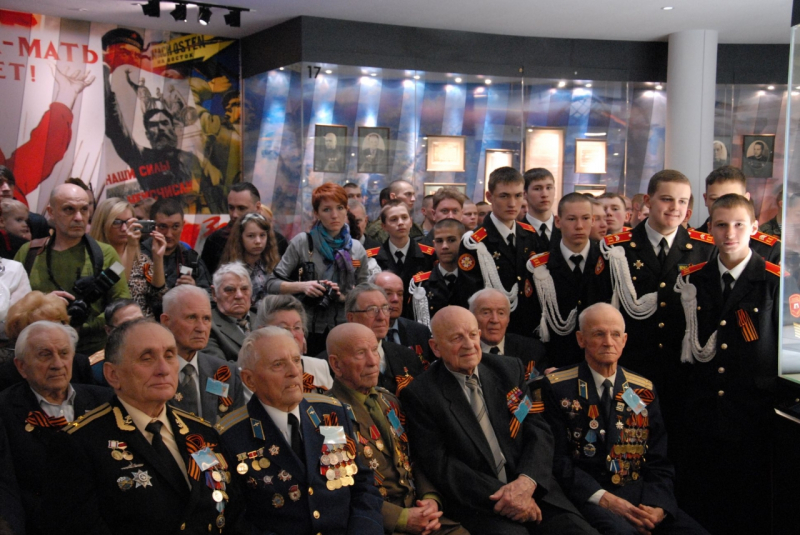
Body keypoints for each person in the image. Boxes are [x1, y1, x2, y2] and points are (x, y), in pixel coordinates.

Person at [400, 306, 597, 534]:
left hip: (533, 487)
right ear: (435, 347)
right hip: (481, 502)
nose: (469, 345)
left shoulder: (508, 369)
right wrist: (510, 497)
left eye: (473, 334)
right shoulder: (421, 394)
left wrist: (526, 483)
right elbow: (441, 465)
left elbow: (537, 429)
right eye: (457, 338)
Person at [44, 318, 239, 534]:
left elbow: (231, 510)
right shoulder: (80, 443)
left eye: (169, 356)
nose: (163, 369)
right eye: (147, 359)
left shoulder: (201, 432)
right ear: (113, 375)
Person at [542, 304, 707, 535]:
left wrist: (658, 506)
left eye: (615, 334)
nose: (608, 342)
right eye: (599, 334)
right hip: (590, 497)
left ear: (625, 340)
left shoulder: (642, 389)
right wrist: (604, 499)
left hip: (639, 496)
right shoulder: (558, 387)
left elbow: (658, 460)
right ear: (581, 339)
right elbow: (558, 460)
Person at [672, 194, 779, 534]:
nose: (729, 233)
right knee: (700, 506)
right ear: (710, 229)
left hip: (752, 413)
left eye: (738, 225)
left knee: (748, 507)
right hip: (701, 411)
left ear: (755, 228)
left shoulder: (775, 281)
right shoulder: (692, 280)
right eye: (721, 225)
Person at [217, 326, 383, 534]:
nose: (294, 372)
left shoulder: (330, 414)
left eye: (296, 360)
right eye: (278, 365)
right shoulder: (231, 436)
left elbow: (362, 486)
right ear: (249, 380)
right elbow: (236, 519)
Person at [326, 323, 468, 534]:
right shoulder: (329, 417)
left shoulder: (389, 401)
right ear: (336, 365)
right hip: (380, 523)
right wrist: (400, 519)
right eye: (360, 354)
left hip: (422, 514)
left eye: (375, 350)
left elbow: (417, 457)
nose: (373, 361)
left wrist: (430, 499)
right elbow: (341, 486)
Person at [600, 170, 714, 431]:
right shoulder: (616, 248)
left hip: (684, 370)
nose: (675, 208)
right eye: (667, 199)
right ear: (647, 202)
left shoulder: (705, 249)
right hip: (633, 366)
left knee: (680, 439)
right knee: (631, 439)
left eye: (682, 201)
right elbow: (601, 307)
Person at [0, 321, 112, 535]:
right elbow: (5, 489)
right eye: (45, 355)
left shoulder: (105, 402)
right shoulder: (5, 411)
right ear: (21, 366)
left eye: (64, 353)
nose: (57, 364)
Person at [14, 184, 131, 354]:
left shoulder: (107, 253)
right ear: (51, 212)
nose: (78, 217)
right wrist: (42, 304)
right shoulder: (29, 252)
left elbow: (122, 306)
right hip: (38, 351)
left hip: (92, 353)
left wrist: (80, 326)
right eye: (69, 209)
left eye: (84, 209)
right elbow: (13, 310)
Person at [104, 63, 224, 212]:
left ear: (173, 128)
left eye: (164, 123)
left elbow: (209, 194)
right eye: (154, 125)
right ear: (147, 134)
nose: (160, 128)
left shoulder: (190, 158)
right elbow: (117, 130)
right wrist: (107, 90)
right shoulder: (141, 156)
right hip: (158, 219)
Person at [267, 183, 369, 355]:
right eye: (326, 209)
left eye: (340, 208)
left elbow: (365, 292)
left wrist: (344, 296)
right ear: (316, 213)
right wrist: (304, 286)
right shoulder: (303, 242)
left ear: (346, 210)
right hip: (308, 328)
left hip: (344, 328)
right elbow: (271, 284)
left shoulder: (356, 248)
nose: (334, 215)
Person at [526, 193, 613, 368]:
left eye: (585, 218)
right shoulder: (540, 268)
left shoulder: (609, 261)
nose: (579, 226)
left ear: (593, 220)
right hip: (556, 361)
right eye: (572, 219)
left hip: (601, 361)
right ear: (558, 222)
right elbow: (530, 322)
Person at [458, 167, 542, 337]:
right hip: (492, 329)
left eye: (518, 196)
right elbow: (470, 293)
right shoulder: (475, 242)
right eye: (504, 196)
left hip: (528, 327)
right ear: (489, 197)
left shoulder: (530, 235)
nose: (512, 203)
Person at [317, 284, 424, 394]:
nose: (382, 317)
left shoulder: (408, 357)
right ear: (351, 318)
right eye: (372, 310)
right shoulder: (326, 365)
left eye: (385, 308)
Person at [159, 285, 244, 424]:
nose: (201, 328)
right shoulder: (151, 374)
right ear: (166, 321)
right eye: (191, 317)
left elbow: (237, 429)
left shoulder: (226, 373)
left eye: (206, 319)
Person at [0, 291, 95, 391]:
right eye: (42, 330)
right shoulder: (6, 376)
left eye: (58, 325)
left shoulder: (79, 364)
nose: (58, 365)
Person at [90, 197, 167, 317]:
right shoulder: (96, 259)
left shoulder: (141, 259)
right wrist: (131, 247)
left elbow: (158, 294)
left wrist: (158, 258)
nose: (124, 228)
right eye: (116, 222)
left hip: (144, 322)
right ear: (103, 224)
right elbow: (119, 290)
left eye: (128, 222)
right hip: (113, 323)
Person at [140, 197, 212, 317]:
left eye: (175, 226)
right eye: (163, 226)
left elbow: (211, 298)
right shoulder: (137, 255)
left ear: (183, 225)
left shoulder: (190, 258)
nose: (169, 234)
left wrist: (195, 290)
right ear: (152, 225)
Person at [693, 165, 781, 264]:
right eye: (715, 199)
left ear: (746, 199)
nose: (724, 205)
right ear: (706, 199)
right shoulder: (689, 244)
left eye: (733, 199)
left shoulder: (770, 250)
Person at [201, 182, 288, 275]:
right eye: (231, 208)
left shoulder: (278, 242)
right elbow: (205, 279)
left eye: (241, 208)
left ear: (257, 207)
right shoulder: (215, 241)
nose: (234, 214)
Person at [254, 294, 334, 393]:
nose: (292, 335)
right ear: (262, 332)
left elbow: (334, 402)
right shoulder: (255, 374)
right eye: (283, 328)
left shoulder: (319, 366)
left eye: (297, 327)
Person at [408, 219, 478, 325]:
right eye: (439, 241)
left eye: (451, 240)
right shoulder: (420, 285)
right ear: (434, 244)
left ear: (462, 241)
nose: (444, 246)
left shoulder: (475, 280)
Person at [368, 200, 435, 304]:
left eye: (404, 217)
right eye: (394, 219)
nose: (400, 223)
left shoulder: (429, 255)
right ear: (384, 226)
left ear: (411, 222)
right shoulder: (372, 258)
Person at [469, 289, 546, 378]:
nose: (495, 320)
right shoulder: (463, 353)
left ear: (508, 319)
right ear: (472, 318)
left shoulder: (532, 350)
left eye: (501, 313)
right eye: (486, 313)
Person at [373, 271, 434, 365]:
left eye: (400, 294)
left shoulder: (420, 332)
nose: (395, 299)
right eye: (388, 293)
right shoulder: (364, 332)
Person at [219, 212, 280, 306]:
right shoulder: (231, 272)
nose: (258, 241)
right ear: (240, 238)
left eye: (262, 235)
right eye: (251, 236)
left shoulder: (273, 265)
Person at [88, 299, 146, 385]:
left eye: (140, 322)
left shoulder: (162, 354)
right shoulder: (95, 370)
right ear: (109, 331)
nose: (136, 329)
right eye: (126, 325)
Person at [205, 262, 253, 362]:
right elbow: (219, 368)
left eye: (244, 289)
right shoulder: (207, 326)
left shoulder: (265, 319)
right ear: (214, 294)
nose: (239, 295)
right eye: (230, 290)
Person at [523, 168, 559, 250]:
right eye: (537, 189)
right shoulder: (517, 231)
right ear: (525, 193)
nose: (544, 194)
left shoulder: (565, 229)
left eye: (549, 188)